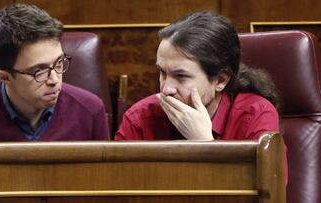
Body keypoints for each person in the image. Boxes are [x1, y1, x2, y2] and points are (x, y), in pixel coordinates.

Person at [0, 3, 110, 142]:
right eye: (39, 71)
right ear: (5, 77)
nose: (54, 80)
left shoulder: (90, 111)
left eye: (59, 63)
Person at [115, 11, 280, 141]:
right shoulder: (140, 117)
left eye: (181, 76)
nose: (166, 89)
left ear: (220, 80)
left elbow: (268, 184)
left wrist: (204, 142)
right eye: (162, 73)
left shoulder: (255, 115)